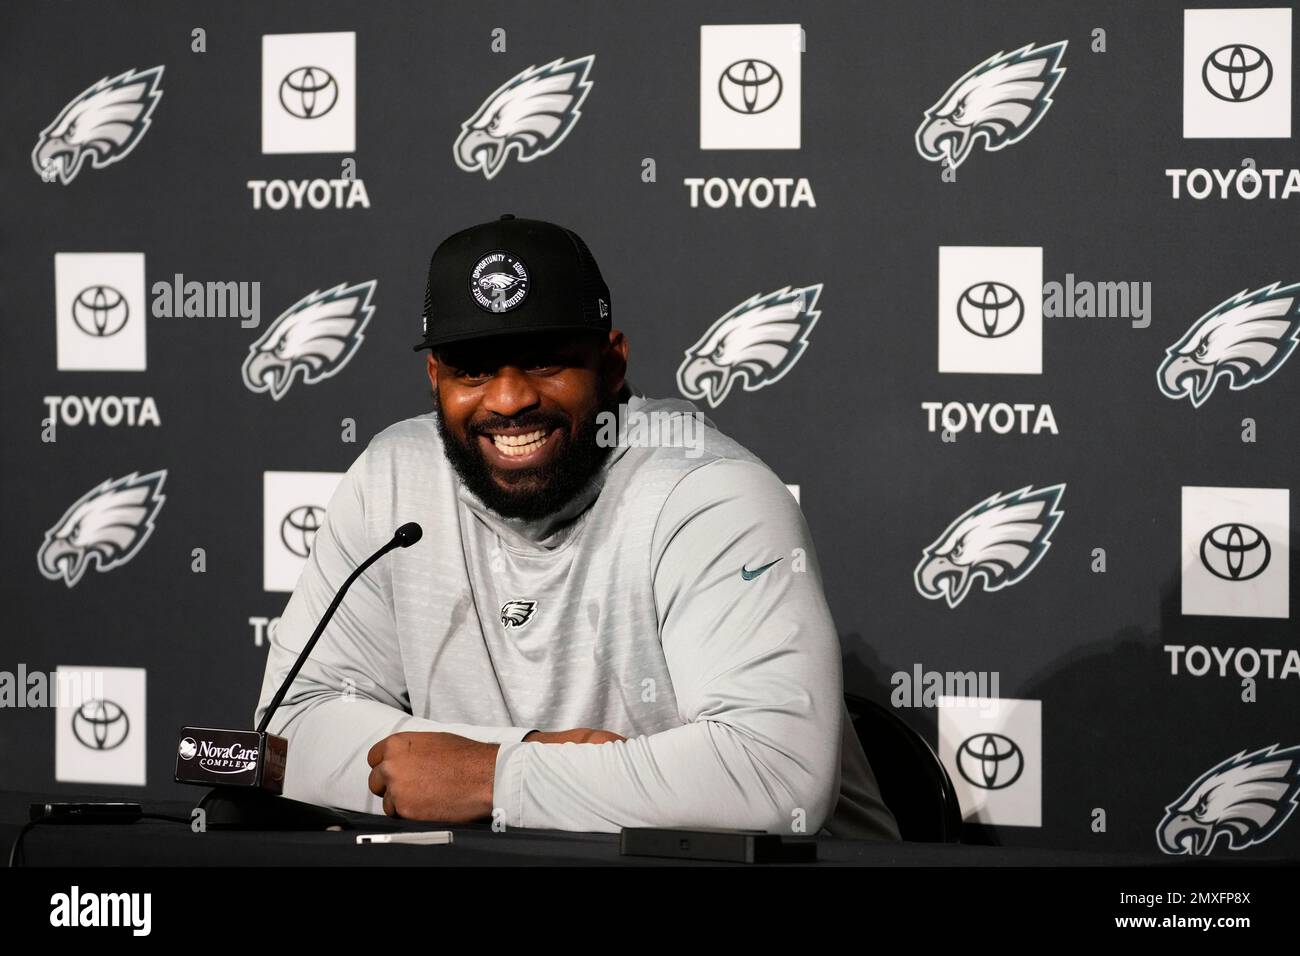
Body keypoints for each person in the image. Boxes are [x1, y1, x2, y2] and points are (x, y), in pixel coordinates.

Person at [254, 214, 900, 840]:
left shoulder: (708, 492)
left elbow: (775, 778)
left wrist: (492, 780)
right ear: (434, 379)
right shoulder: (394, 478)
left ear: (612, 365)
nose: (508, 401)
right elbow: (288, 734)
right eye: (473, 370)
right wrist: (520, 757)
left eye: (544, 362)